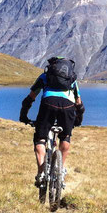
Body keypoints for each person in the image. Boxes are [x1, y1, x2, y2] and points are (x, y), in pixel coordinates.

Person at [19, 56, 85, 187]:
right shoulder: (71, 79)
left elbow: (30, 99)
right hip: (67, 107)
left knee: (40, 139)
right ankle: (60, 172)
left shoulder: (44, 77)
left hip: (48, 104)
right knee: (65, 137)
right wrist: (78, 120)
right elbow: (79, 104)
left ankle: (41, 174)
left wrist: (24, 116)